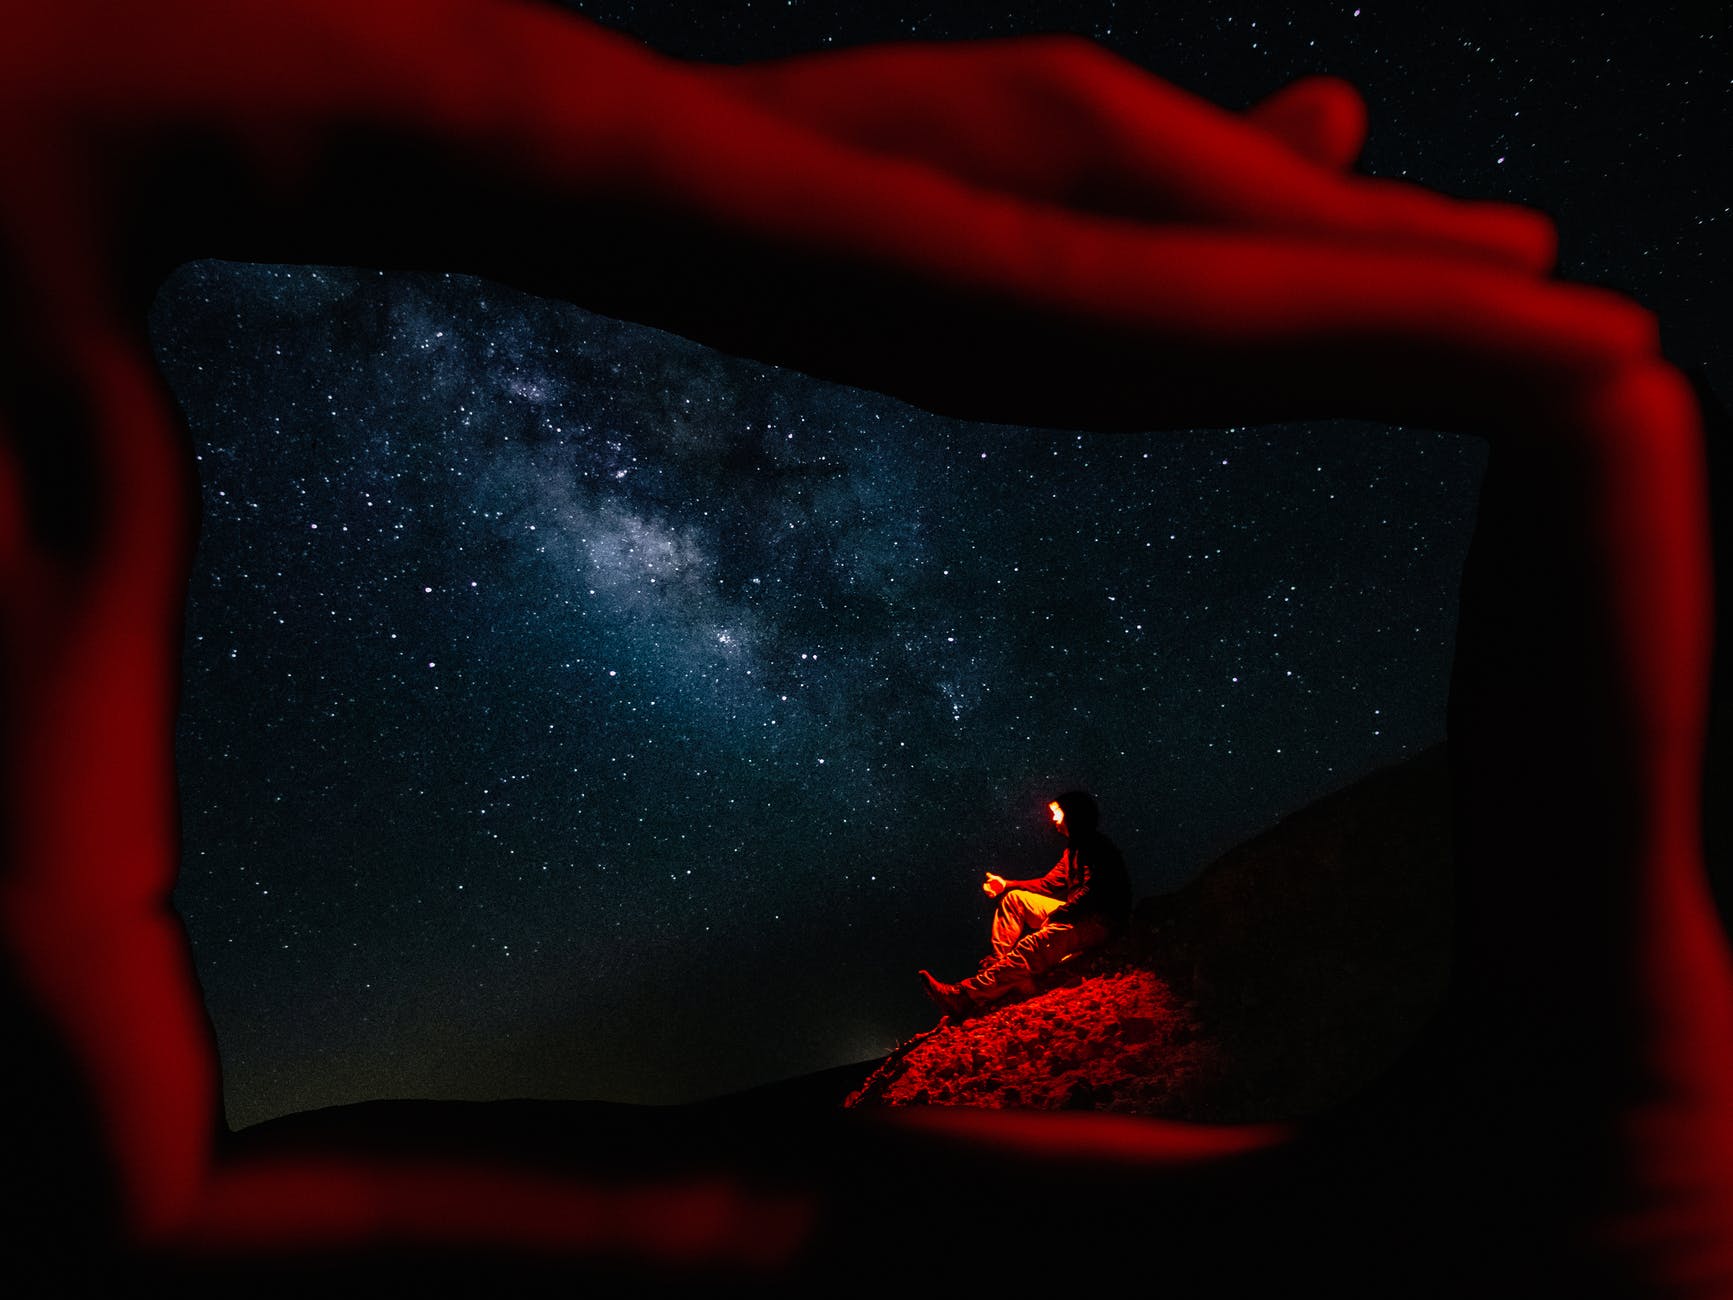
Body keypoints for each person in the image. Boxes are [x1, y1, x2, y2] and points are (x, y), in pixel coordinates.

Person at [920, 790, 1132, 1018]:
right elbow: (1047, 884)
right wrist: (1007, 884)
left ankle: (963, 996)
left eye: (1058, 813)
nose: (1054, 819)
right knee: (1014, 900)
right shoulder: (1073, 850)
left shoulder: (1096, 846)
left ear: (1073, 815)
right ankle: (998, 965)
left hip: (1100, 920)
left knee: (1034, 944)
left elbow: (1096, 889)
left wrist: (1063, 913)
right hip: (1080, 913)